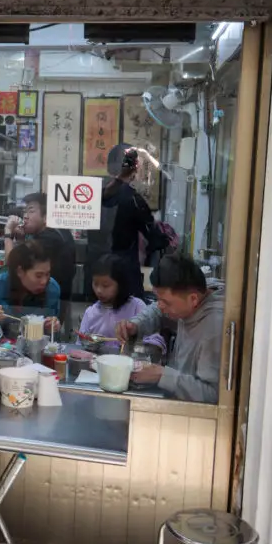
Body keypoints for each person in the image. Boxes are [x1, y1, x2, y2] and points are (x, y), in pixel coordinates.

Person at [115, 253, 224, 404]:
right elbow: (157, 311)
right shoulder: (195, 292)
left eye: (165, 301)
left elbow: (213, 394)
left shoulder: (214, 328)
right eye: (157, 298)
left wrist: (162, 376)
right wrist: (135, 325)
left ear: (193, 299)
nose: (160, 305)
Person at [103, 145, 168, 298]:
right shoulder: (132, 198)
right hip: (123, 273)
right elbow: (155, 238)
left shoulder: (95, 190)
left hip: (96, 273)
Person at [4, 192, 76, 313]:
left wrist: (8, 234)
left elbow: (13, 265)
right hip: (47, 298)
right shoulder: (57, 231)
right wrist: (21, 239)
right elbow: (27, 260)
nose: (25, 217)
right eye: (24, 212)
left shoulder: (50, 238)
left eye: (31, 211)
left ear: (46, 217)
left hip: (47, 304)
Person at [0, 240, 60, 333]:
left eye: (47, 274)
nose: (44, 281)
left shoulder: (52, 289)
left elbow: (51, 334)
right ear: (20, 271)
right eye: (38, 275)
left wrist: (53, 325)